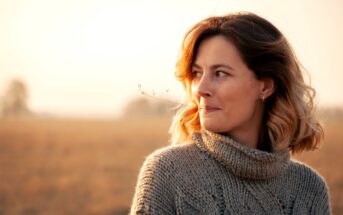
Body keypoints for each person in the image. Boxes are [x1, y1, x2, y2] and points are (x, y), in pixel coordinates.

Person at [130, 12, 331, 214]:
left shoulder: (310, 190)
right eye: (197, 73)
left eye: (220, 73)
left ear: (266, 86)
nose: (200, 89)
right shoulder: (167, 173)